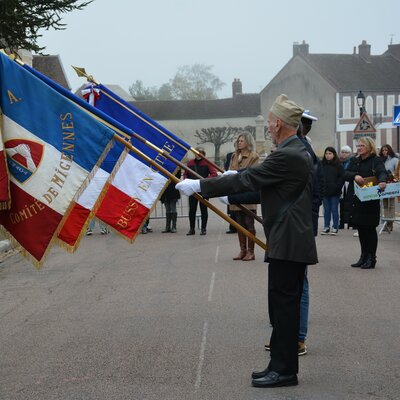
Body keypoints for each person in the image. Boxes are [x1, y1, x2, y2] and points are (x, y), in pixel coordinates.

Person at [176, 94, 318, 388]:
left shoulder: (288, 154)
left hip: (289, 241)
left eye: (268, 122)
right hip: (288, 239)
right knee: (280, 307)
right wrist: (230, 192)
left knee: (285, 308)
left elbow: (250, 179)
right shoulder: (291, 150)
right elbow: (265, 189)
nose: (267, 127)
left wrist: (200, 184)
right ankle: (278, 365)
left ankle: (285, 371)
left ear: (279, 123)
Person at [344, 137, 387, 269]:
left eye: (362, 145)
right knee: (361, 229)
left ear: (369, 147)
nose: (359, 147)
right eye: (358, 145)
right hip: (357, 200)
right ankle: (363, 256)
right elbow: (345, 173)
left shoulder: (376, 160)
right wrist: (354, 176)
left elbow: (382, 172)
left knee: (369, 229)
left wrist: (382, 181)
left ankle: (371, 258)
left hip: (370, 200)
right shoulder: (354, 160)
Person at [228, 132, 259, 261]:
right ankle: (243, 250)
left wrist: (237, 174)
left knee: (249, 223)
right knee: (239, 223)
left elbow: (253, 173)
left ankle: (251, 252)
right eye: (238, 140)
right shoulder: (234, 155)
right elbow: (230, 171)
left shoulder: (254, 156)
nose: (239, 142)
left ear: (248, 142)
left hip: (248, 194)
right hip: (236, 193)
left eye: (242, 140)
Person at [184, 147, 218, 236]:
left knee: (204, 209)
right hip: (193, 189)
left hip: (204, 189)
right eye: (196, 152)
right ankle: (192, 229)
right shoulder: (190, 163)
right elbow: (185, 174)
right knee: (192, 210)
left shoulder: (207, 163)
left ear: (203, 153)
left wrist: (205, 180)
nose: (198, 154)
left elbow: (214, 174)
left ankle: (203, 229)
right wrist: (187, 182)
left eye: (200, 153)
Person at [320, 147, 344, 236]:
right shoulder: (322, 165)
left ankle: (335, 227)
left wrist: (337, 187)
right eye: (326, 153)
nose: (328, 155)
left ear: (334, 154)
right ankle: (326, 227)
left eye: (330, 153)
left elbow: (342, 178)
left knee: (334, 210)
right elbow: (319, 177)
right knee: (326, 210)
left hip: (335, 192)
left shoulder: (338, 165)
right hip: (325, 191)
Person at [378, 144, 398, 232]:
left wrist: (394, 177)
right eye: (383, 150)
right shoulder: (380, 161)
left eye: (386, 150)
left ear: (389, 150)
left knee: (391, 204)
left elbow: (398, 172)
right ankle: (386, 222)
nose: (384, 152)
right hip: (383, 184)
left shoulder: (395, 160)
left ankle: (390, 223)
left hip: (392, 184)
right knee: (385, 204)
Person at [160, 169, 181, 233]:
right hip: (165, 190)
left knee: (173, 208)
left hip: (172, 189)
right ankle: (167, 227)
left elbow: (178, 176)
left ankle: (174, 226)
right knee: (167, 209)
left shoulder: (176, 166)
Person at [338, 145, 354, 229]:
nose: (344, 154)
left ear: (350, 154)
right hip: (341, 184)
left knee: (349, 204)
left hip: (349, 183)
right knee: (341, 203)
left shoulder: (352, 162)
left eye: (346, 152)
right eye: (342, 152)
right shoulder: (339, 162)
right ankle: (342, 222)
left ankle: (350, 222)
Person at [224, 150, 237, 234]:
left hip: (241, 182)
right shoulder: (229, 155)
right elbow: (226, 167)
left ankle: (243, 226)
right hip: (231, 183)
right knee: (231, 208)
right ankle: (232, 227)